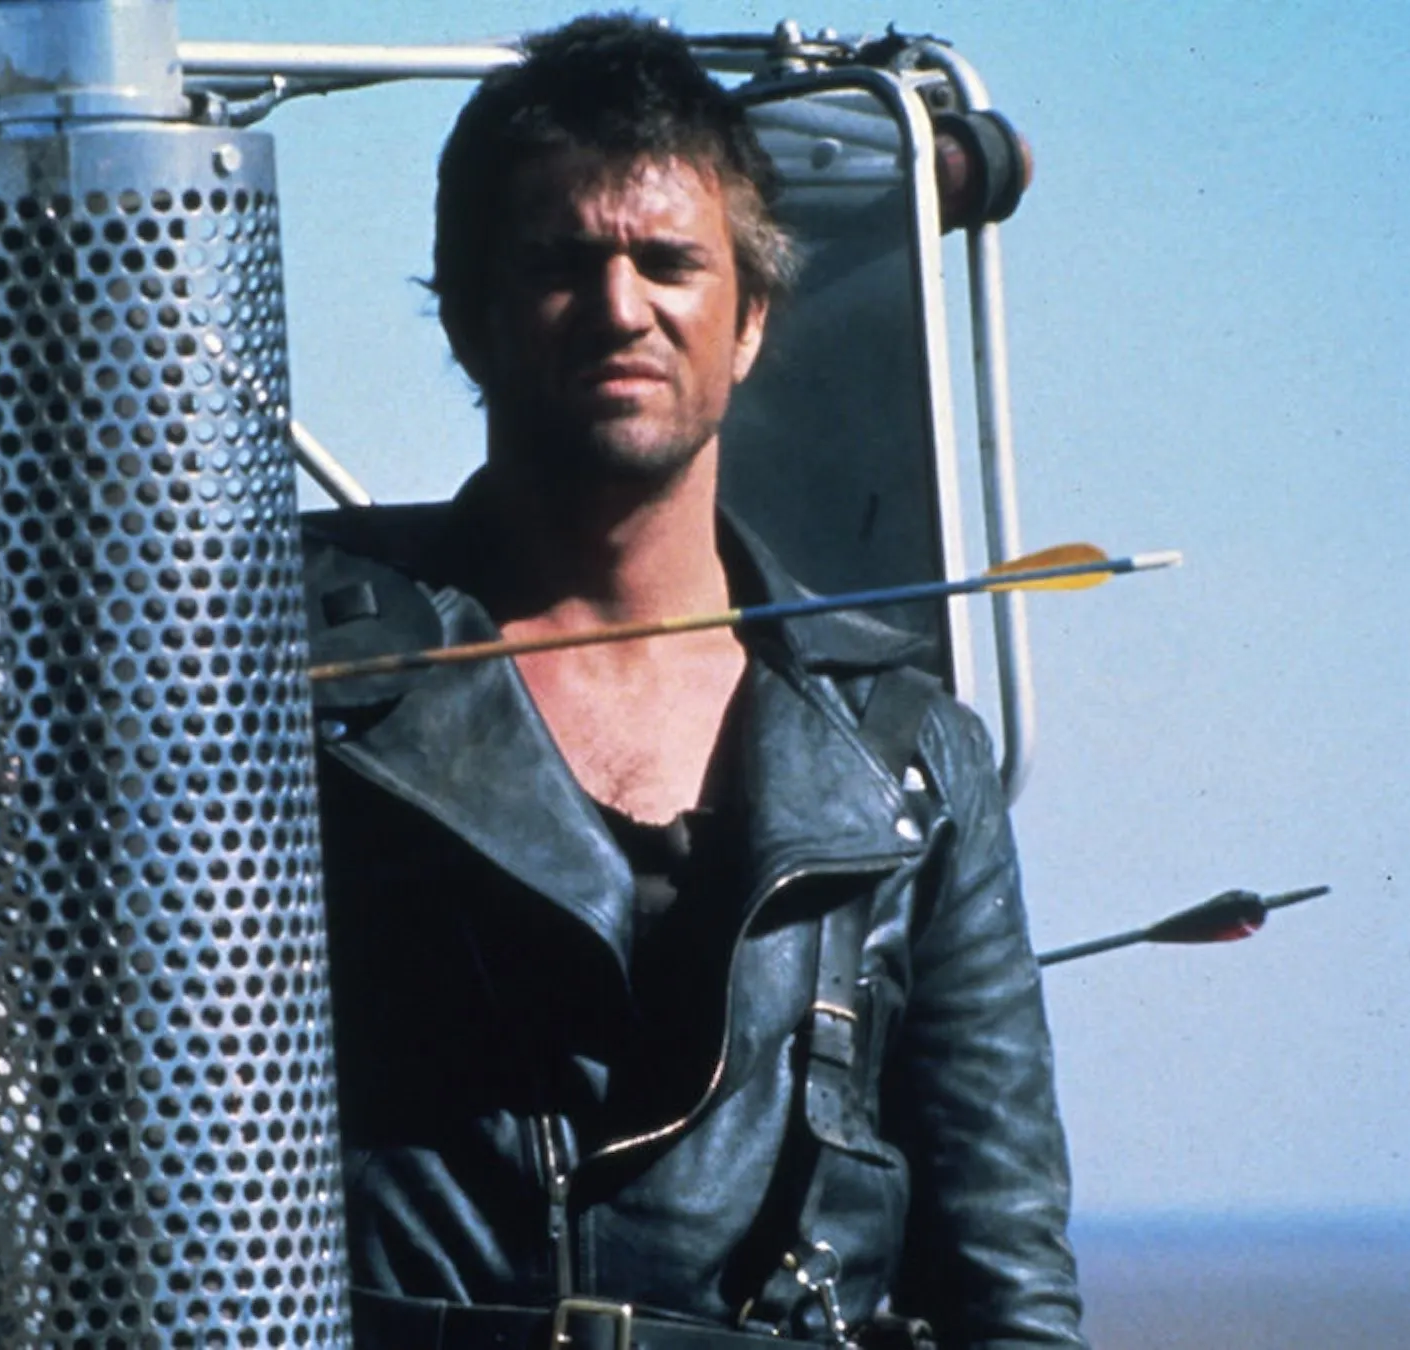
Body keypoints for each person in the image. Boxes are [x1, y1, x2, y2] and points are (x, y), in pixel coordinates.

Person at [303, 15, 1087, 1349]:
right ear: (469, 316)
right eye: (563, 263)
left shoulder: (905, 755)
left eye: (669, 261)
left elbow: (1004, 1273)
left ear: (751, 320)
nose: (622, 308)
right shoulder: (289, 678)